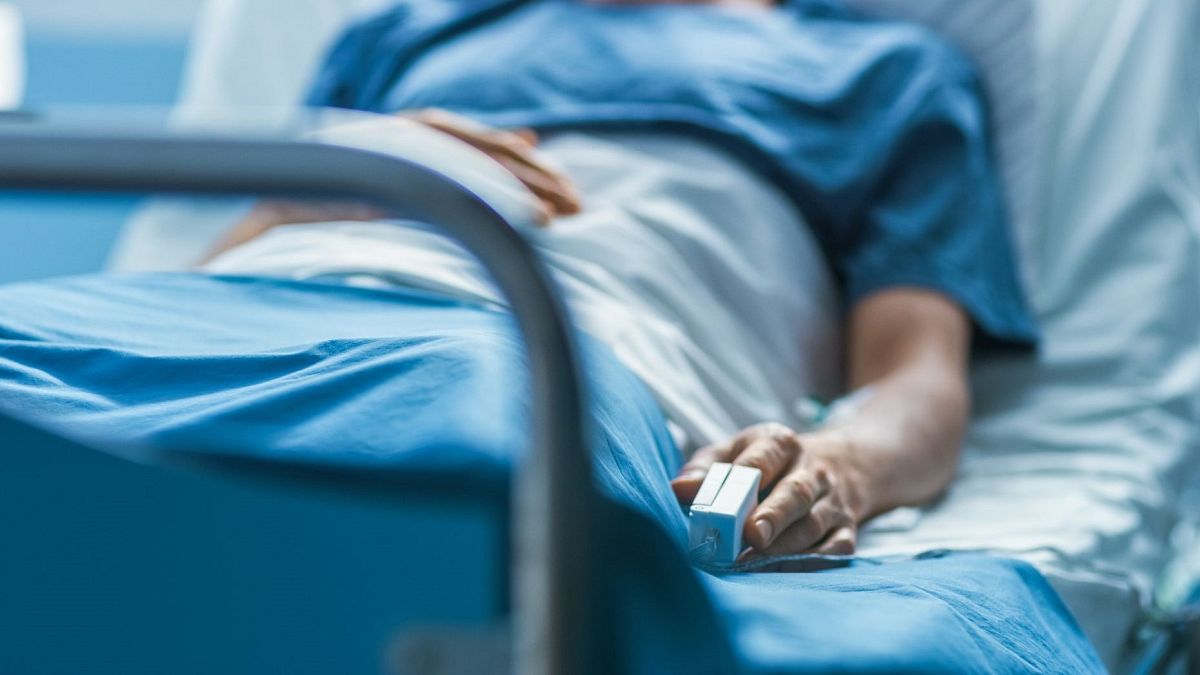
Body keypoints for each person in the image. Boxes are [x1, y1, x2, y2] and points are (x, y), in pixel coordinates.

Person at [204, 0, 1038, 564]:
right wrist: (331, 179)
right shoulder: (407, 32)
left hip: (549, 346)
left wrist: (840, 462)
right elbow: (206, 274)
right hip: (247, 314)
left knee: (416, 486)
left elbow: (914, 375)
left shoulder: (886, 73)